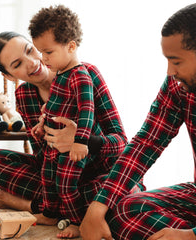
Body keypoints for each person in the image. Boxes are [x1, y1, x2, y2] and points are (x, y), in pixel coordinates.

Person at [0, 31, 135, 238]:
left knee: (129, 187)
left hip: (101, 169)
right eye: (17, 64)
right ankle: (71, 206)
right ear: (9, 75)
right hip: (60, 175)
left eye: (30, 50)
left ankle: (35, 207)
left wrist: (84, 140)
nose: (32, 63)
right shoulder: (24, 95)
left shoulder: (86, 74)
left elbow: (122, 143)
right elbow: (41, 156)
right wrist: (43, 135)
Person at [79, 3, 196, 240]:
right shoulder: (178, 86)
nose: (170, 71)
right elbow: (146, 143)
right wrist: (98, 207)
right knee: (123, 211)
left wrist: (190, 235)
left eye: (176, 61)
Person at [28, 5, 135, 232]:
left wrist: (81, 141)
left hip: (74, 148)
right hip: (53, 146)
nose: (43, 59)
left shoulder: (80, 75)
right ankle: (49, 213)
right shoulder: (60, 74)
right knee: (49, 180)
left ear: (71, 46)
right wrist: (42, 122)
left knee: (66, 185)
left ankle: (77, 222)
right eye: (40, 52)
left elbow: (87, 110)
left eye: (48, 52)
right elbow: (56, 106)